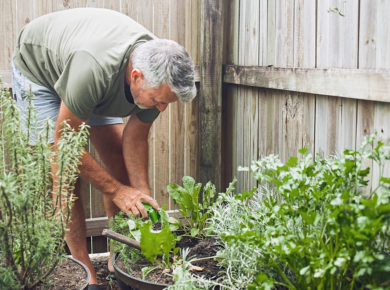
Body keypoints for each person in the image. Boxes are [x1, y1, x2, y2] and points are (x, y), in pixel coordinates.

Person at [12, 7, 196, 288]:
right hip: (40, 70)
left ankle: (118, 259)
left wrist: (140, 195)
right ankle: (86, 273)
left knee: (117, 163)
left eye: (166, 102)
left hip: (90, 75)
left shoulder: (157, 73)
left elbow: (134, 138)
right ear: (136, 77)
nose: (161, 108)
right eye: (158, 100)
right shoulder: (94, 70)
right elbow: (64, 146)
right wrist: (117, 190)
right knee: (65, 177)